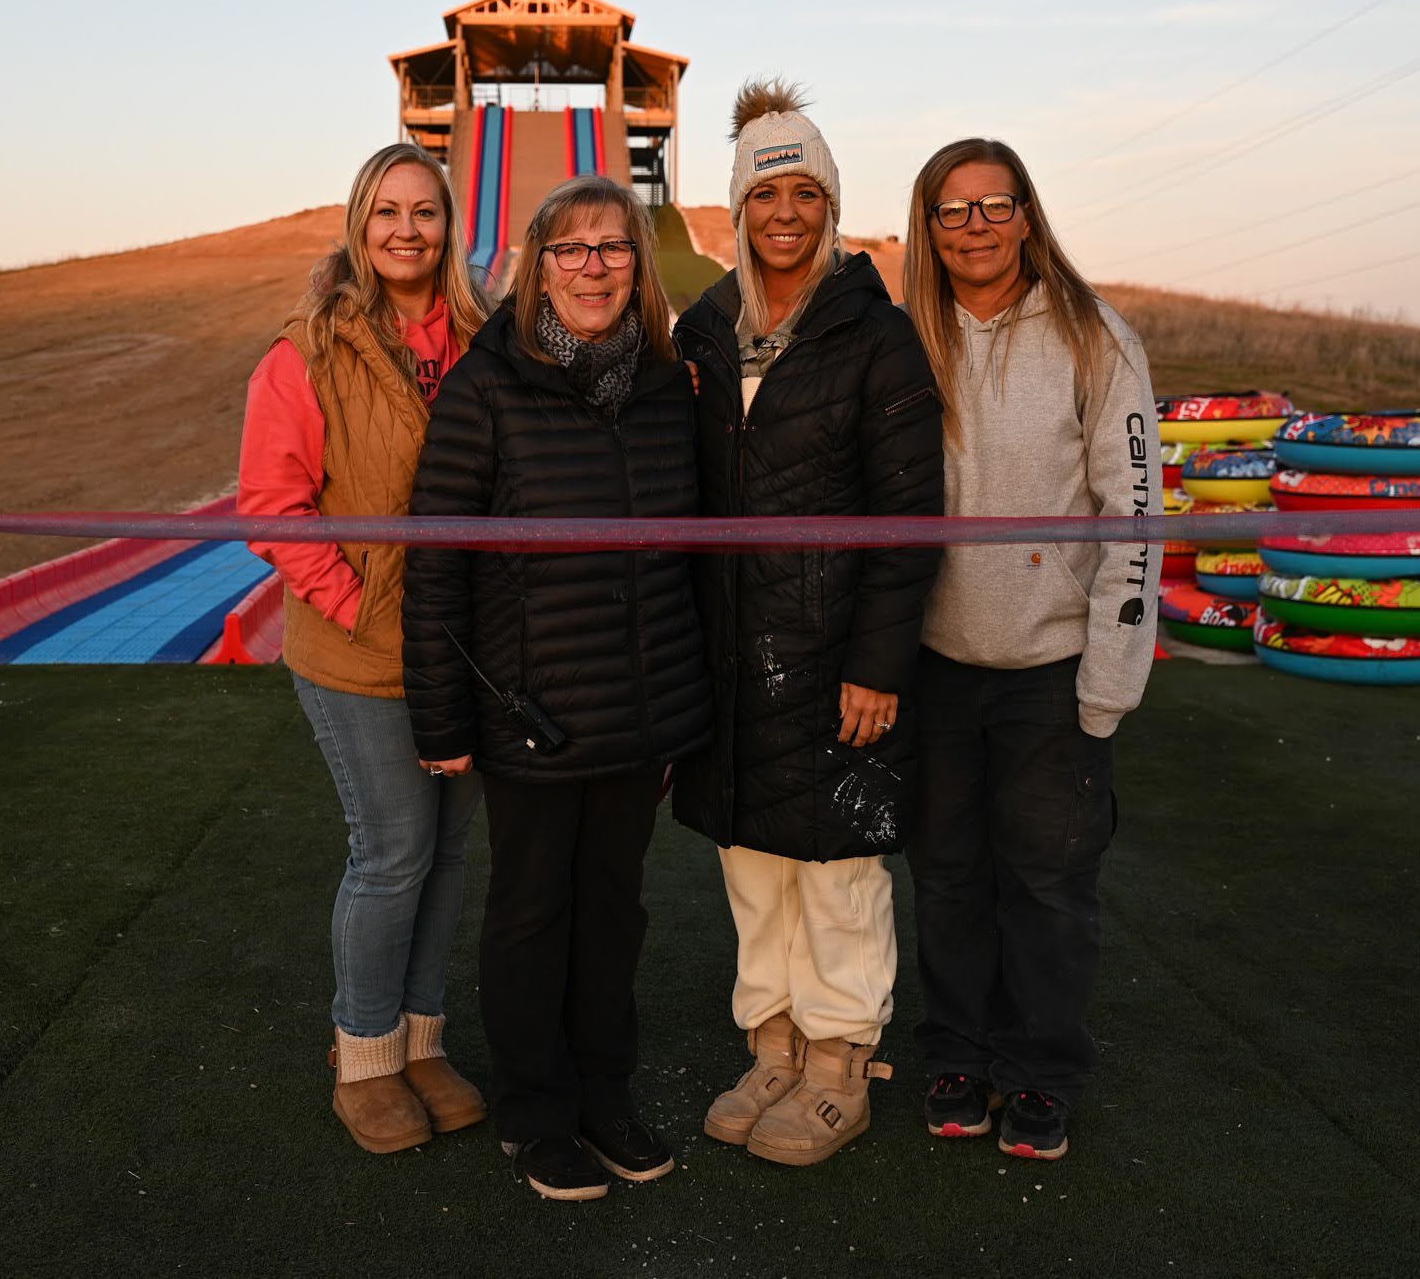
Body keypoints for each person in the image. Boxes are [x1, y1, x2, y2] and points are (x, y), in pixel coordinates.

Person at [402, 173, 713, 1203]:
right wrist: (441, 714)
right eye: (568, 249)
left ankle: (602, 1091)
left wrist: (682, 703)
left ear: (639, 264)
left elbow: (687, 557)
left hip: (637, 706)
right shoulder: (487, 385)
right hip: (530, 712)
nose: (591, 267)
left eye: (611, 248)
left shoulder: (667, 386)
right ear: (535, 267)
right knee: (532, 911)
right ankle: (534, 1112)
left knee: (613, 910)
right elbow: (437, 563)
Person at [671, 81, 944, 1168]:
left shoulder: (876, 337)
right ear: (734, 208)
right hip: (729, 653)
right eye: (763, 191)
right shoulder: (698, 332)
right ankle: (770, 1042)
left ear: (828, 205)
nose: (783, 210)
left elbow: (908, 513)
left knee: (835, 862)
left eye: (804, 190)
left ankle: (838, 1058)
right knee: (749, 859)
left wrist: (878, 662)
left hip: (834, 653)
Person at [901, 136, 1158, 1163]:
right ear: (926, 226)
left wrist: (1108, 679)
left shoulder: (1094, 336)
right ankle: (957, 1056)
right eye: (951, 211)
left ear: (1024, 214)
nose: (973, 227)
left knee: (1048, 885)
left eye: (991, 206)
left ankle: (1041, 1072)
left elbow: (1133, 512)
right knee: (948, 874)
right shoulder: (903, 337)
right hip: (933, 662)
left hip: (1051, 666)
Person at [236, 142, 491, 1156]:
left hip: (468, 651)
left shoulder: (483, 339)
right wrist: (353, 606)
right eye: (386, 211)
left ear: (447, 226)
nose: (404, 231)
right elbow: (273, 507)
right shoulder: (304, 352)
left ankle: (424, 1040)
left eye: (424, 212)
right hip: (360, 651)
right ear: (357, 222)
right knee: (392, 854)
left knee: (449, 853)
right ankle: (367, 1053)